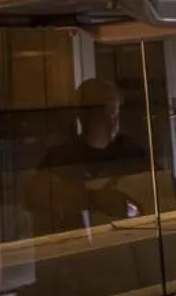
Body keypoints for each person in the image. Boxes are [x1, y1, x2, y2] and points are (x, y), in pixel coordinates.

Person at [30, 77, 150, 232]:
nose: (116, 116)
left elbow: (158, 185)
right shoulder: (59, 158)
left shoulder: (129, 149)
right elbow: (33, 197)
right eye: (114, 108)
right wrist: (95, 199)